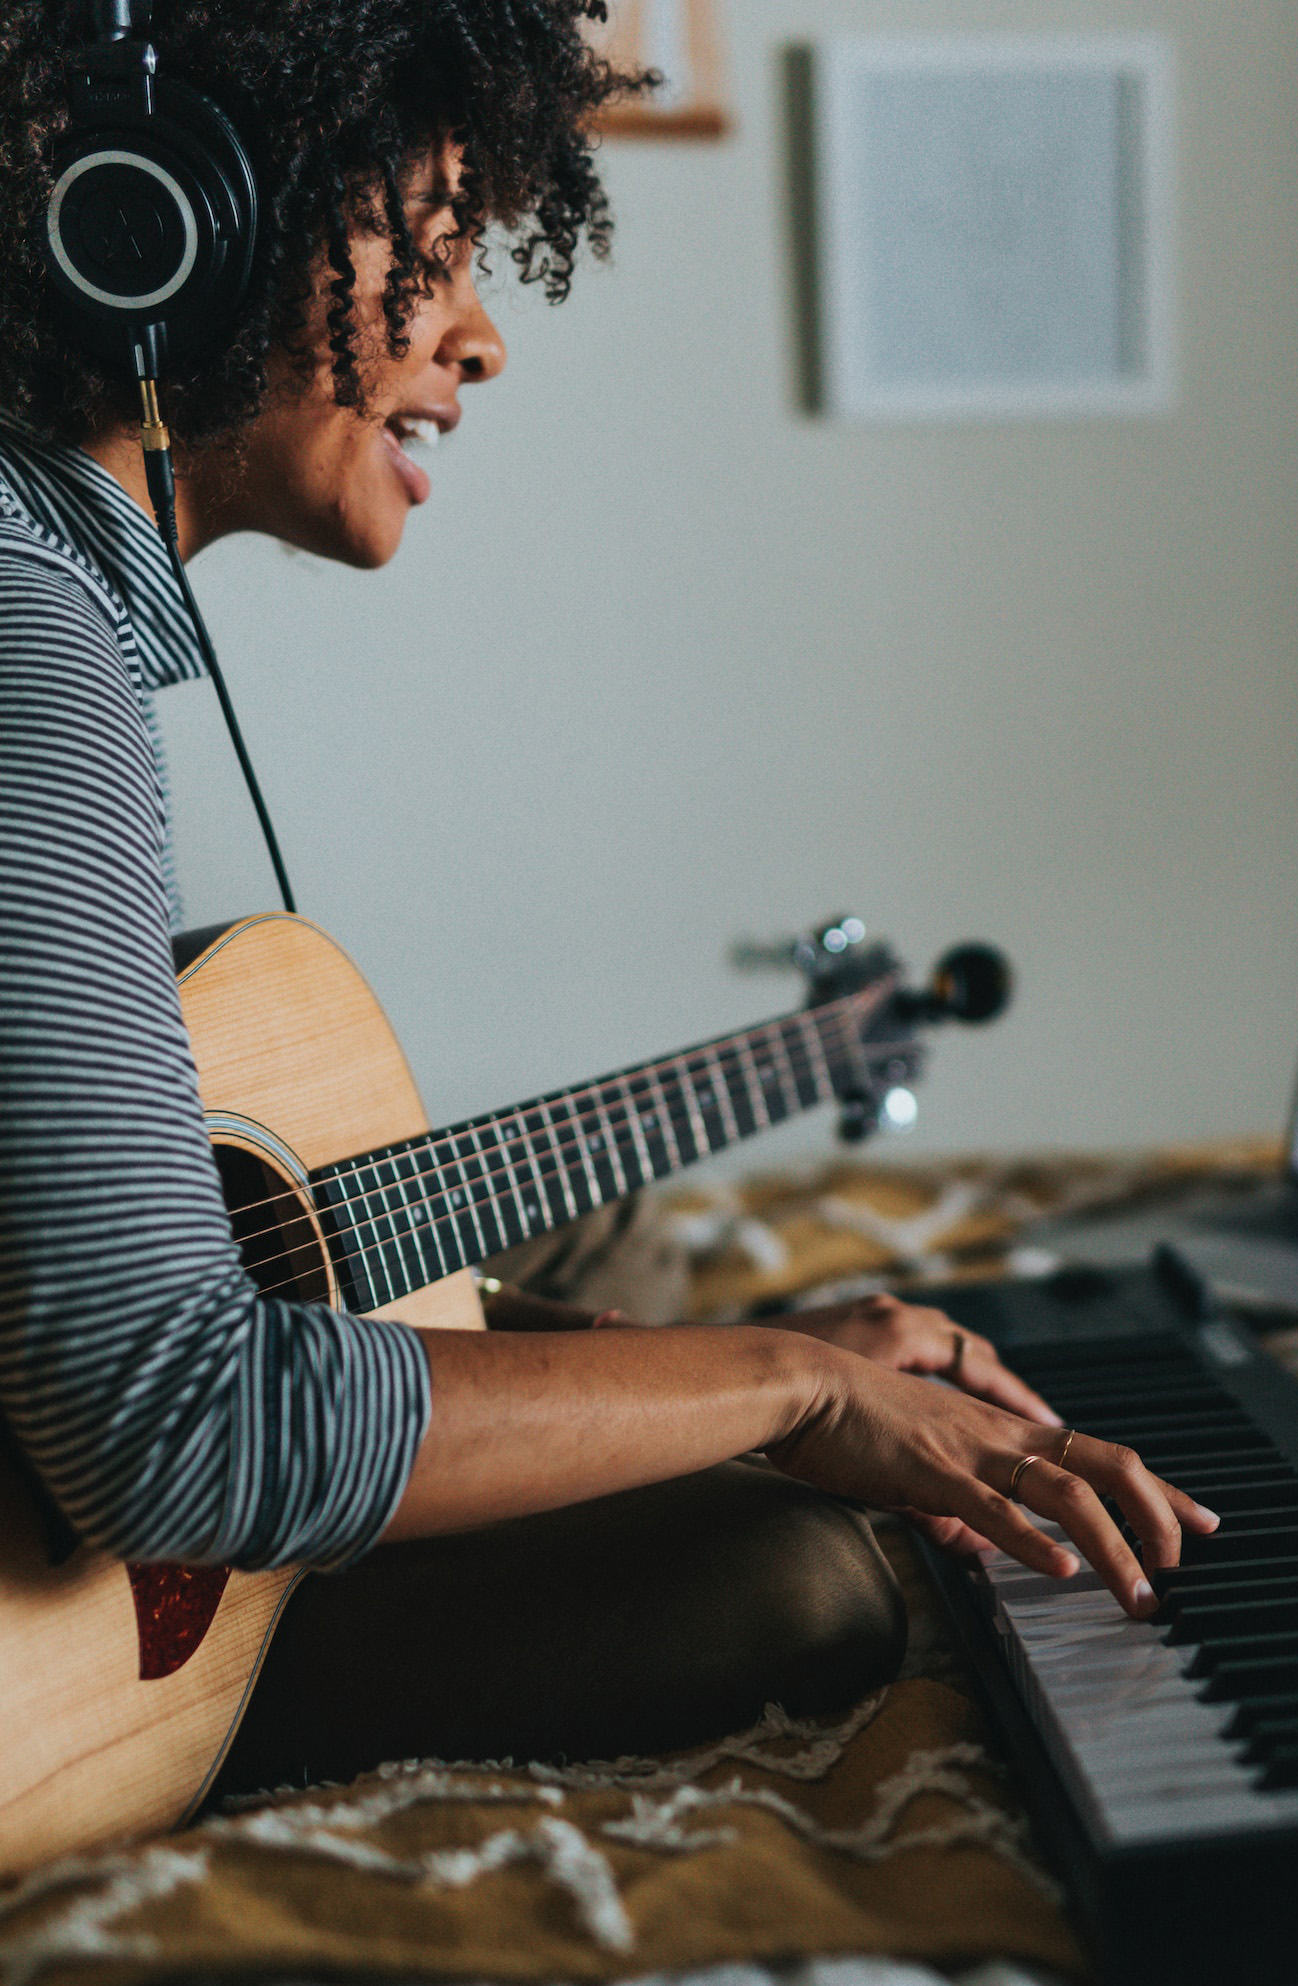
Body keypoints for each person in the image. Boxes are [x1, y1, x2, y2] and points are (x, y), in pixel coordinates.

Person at [0, 0, 1216, 1793]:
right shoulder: (28, 640)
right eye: (430, 255)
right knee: (803, 1580)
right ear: (170, 229)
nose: (482, 339)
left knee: (603, 1255)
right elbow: (183, 1431)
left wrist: (720, 1361)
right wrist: (796, 1384)